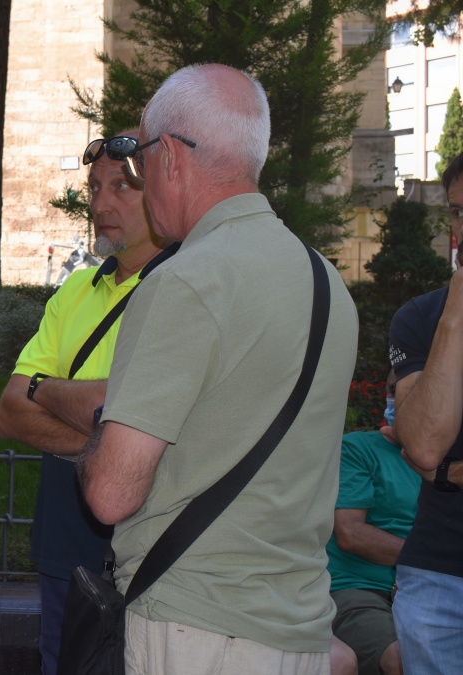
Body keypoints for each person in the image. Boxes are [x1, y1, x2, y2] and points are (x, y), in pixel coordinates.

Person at [77, 63, 358, 674]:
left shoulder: (185, 280)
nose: (142, 179)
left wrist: (95, 433)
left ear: (172, 157)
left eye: (141, 161)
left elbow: (111, 493)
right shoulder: (326, 282)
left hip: (196, 626)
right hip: (301, 628)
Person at [0, 130, 174, 674]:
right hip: (65, 538)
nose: (100, 204)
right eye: (95, 188)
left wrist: (43, 389)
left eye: (121, 187)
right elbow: (8, 412)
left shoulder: (180, 290)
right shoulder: (75, 290)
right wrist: (112, 433)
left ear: (161, 191)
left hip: (150, 538)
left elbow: (103, 402)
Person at [384, 150, 463, 675]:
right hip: (440, 573)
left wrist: (449, 474)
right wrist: (455, 313)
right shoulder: (420, 317)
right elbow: (426, 445)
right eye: (458, 212)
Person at [327, 373, 419, 675]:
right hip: (360, 589)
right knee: (403, 659)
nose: (400, 398)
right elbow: (351, 534)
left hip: (429, 592)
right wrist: (433, 559)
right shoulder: (357, 449)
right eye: (394, 389)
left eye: (416, 389)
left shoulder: (449, 466)